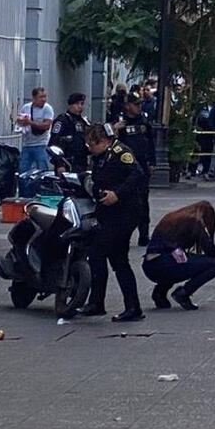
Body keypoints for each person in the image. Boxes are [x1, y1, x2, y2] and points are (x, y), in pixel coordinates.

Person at [80, 124, 147, 322]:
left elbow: (137, 175)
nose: (89, 149)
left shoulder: (121, 152)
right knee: (107, 257)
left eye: (91, 144)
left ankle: (125, 306)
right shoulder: (102, 156)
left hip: (124, 212)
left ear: (102, 141)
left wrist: (118, 194)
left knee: (106, 255)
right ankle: (102, 302)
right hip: (109, 213)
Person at [143, 201, 215, 311]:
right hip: (165, 265)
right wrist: (206, 233)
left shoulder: (171, 218)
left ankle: (160, 292)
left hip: (150, 265)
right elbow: (212, 251)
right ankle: (184, 292)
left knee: (176, 258)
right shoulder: (195, 221)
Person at [116, 91, 155, 247]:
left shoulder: (144, 121)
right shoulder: (120, 122)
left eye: (140, 104)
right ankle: (122, 235)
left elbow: (150, 142)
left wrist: (152, 162)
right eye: (136, 104)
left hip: (142, 165)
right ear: (128, 106)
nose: (139, 107)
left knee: (143, 202)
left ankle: (144, 234)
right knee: (124, 201)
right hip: (125, 168)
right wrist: (115, 130)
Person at [17, 87, 55, 196]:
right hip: (27, 144)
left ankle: (41, 194)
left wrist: (30, 122)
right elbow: (20, 120)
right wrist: (21, 121)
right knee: (23, 171)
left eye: (45, 97)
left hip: (41, 144)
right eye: (40, 97)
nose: (43, 99)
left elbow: (46, 126)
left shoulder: (47, 109)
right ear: (34, 98)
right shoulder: (26, 108)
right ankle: (24, 195)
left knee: (42, 170)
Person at [49, 92, 90, 173]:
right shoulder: (62, 120)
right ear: (70, 105)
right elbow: (54, 143)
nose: (80, 106)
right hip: (66, 163)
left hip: (81, 163)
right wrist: (59, 164)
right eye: (77, 104)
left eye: (81, 104)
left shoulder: (84, 122)